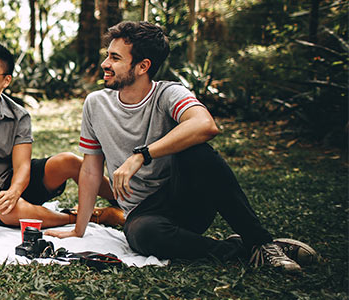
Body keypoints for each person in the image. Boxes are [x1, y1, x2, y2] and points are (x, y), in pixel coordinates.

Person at [46, 21, 316, 273]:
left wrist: (142, 155)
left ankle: (262, 242)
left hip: (186, 199)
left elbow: (205, 125)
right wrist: (78, 230)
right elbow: (91, 170)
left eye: (115, 58)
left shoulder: (168, 93)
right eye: (108, 55)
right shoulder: (96, 104)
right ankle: (244, 248)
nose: (105, 63)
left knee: (197, 151)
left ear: (143, 66)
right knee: (142, 235)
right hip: (144, 214)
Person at [0, 41, 122, 228]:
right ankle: (90, 217)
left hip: (17, 182)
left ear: (6, 80)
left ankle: (123, 201)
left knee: (69, 161)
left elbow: (22, 166)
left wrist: (14, 192)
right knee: (9, 211)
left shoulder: (19, 115)